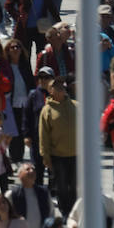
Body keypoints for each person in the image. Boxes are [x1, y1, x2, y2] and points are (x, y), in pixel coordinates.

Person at [38, 76, 77, 217]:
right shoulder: (46, 111)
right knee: (61, 187)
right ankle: (65, 212)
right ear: (50, 91)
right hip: (58, 156)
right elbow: (44, 136)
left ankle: (74, 211)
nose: (61, 88)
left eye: (62, 85)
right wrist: (45, 156)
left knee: (74, 186)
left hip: (76, 155)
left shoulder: (76, 106)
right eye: (56, 86)